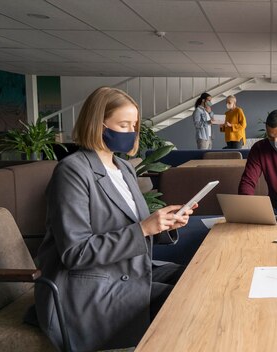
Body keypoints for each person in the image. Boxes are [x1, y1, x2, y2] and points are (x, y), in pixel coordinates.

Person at [35, 87, 196, 351]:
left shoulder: (123, 168)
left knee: (193, 277)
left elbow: (136, 226)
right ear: (98, 125)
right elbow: (75, 253)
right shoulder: (72, 172)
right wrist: (144, 229)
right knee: (187, 303)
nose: (132, 132)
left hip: (125, 271)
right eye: (124, 125)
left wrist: (165, 223)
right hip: (89, 289)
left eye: (134, 125)